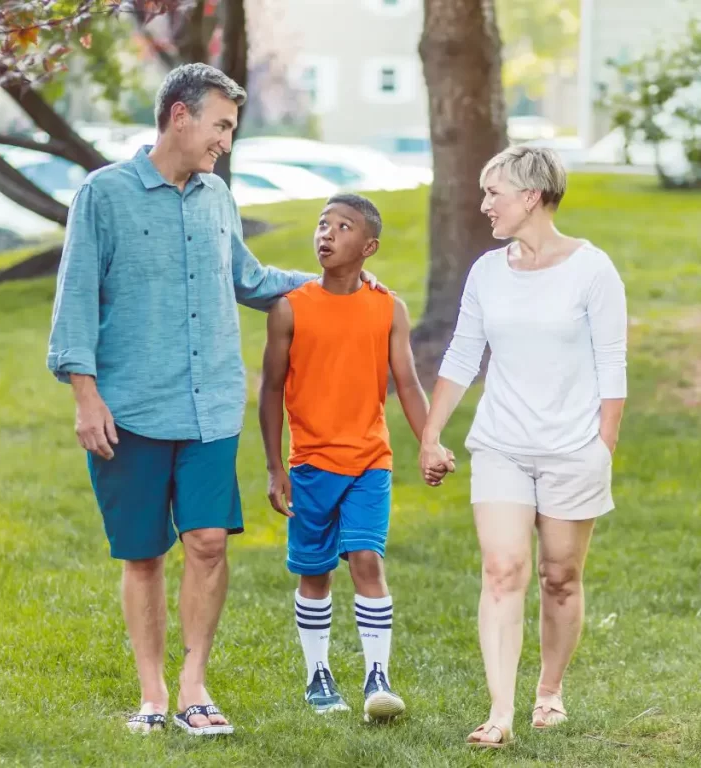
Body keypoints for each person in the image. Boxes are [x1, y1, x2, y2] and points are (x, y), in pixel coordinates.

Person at [46, 63, 384, 737]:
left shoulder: (215, 197)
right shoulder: (103, 196)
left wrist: (332, 285)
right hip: (130, 408)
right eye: (221, 125)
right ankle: (152, 693)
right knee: (143, 554)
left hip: (209, 408)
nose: (225, 140)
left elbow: (249, 278)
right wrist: (86, 397)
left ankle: (194, 686)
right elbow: (75, 301)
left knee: (206, 543)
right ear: (180, 116)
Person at [418, 146, 627, 747]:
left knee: (559, 575)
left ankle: (549, 691)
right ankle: (501, 712)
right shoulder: (487, 271)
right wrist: (432, 432)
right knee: (503, 568)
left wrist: (602, 446)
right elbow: (463, 354)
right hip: (502, 444)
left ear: (531, 196)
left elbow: (612, 364)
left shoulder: (593, 270)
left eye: (494, 193)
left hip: (573, 448)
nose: (483, 204)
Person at [258, 194, 453, 723]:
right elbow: (271, 389)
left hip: (370, 461)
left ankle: (376, 677)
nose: (326, 234)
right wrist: (276, 467)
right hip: (310, 466)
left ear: (368, 247)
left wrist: (429, 441)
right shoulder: (290, 307)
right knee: (316, 572)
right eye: (322, 224)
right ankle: (317, 675)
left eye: (342, 227)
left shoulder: (388, 308)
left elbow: (408, 383)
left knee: (368, 560)